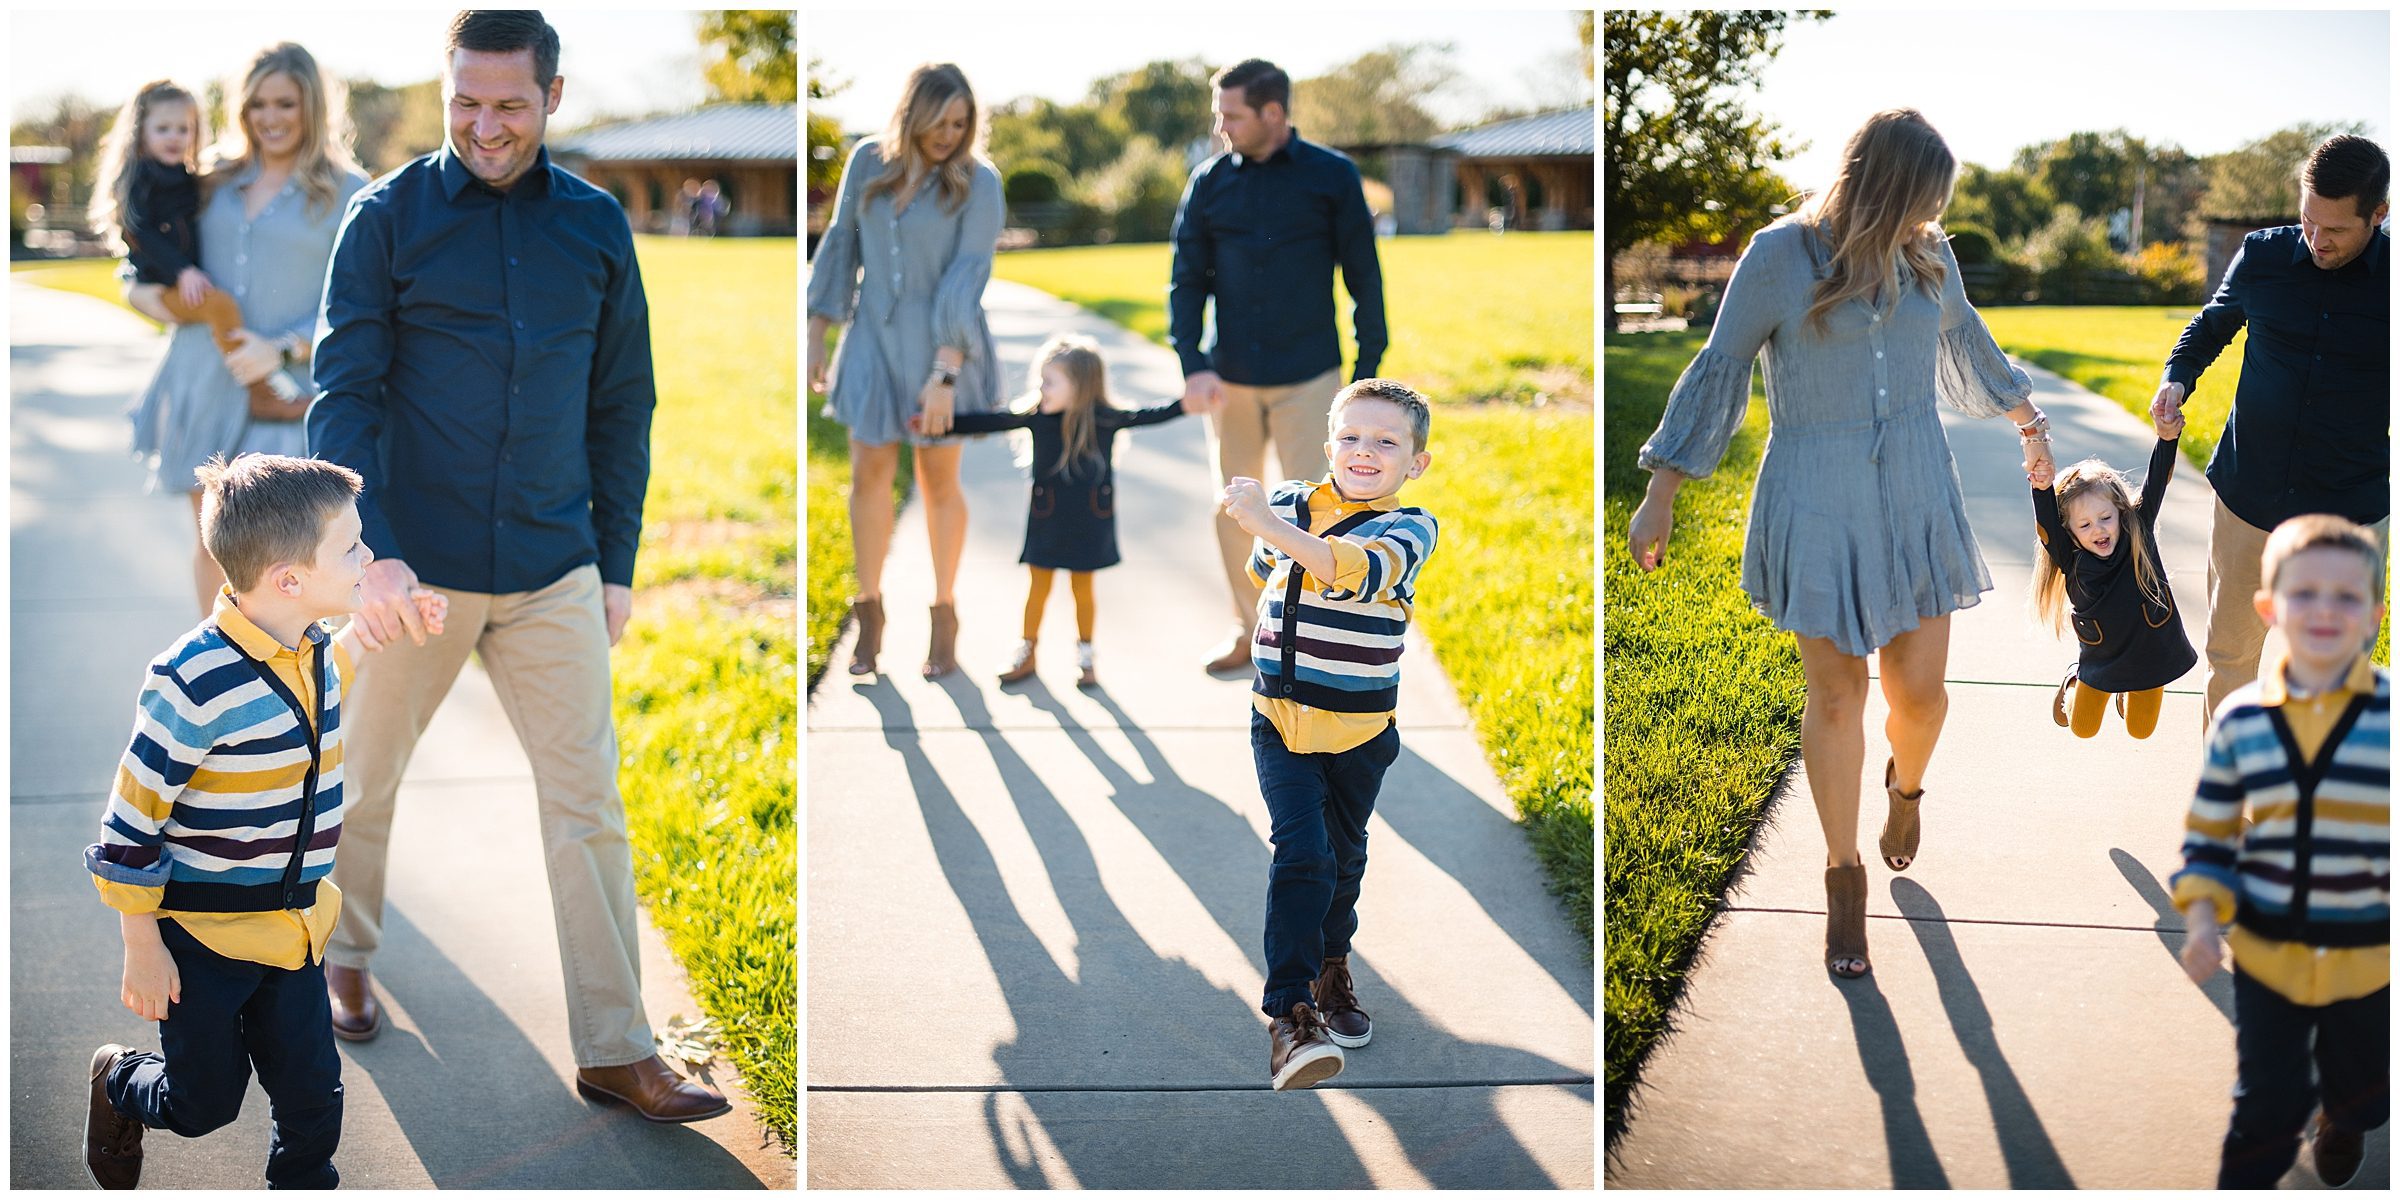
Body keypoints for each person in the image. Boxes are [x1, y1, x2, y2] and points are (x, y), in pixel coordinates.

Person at [308, 10, 727, 1123]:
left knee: (588, 803)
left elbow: (622, 403)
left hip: (552, 563)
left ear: (553, 97)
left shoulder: (595, 228)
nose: (484, 125)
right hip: (415, 570)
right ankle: (341, 957)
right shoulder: (385, 221)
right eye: (466, 102)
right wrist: (371, 556)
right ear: (444, 90)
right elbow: (342, 396)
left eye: (509, 104)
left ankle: (616, 1048)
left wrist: (618, 564)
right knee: (364, 782)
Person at [1628, 109, 2055, 979]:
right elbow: (1719, 368)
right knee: (1835, 696)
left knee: (1922, 699)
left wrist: (2029, 423)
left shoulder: (1929, 254)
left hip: (1915, 490)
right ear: (1885, 185)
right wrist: (1661, 489)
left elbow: (1967, 340)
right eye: (1922, 201)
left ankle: (1905, 791)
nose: (1928, 218)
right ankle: (1843, 876)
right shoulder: (1780, 257)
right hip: (1815, 498)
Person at [82, 453, 446, 1190]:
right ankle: (121, 1082)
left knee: (315, 1099)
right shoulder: (191, 682)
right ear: (289, 580)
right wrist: (141, 945)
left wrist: (377, 633)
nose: (368, 556)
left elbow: (317, 677)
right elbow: (129, 824)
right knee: (201, 1104)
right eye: (351, 547)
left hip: (294, 930)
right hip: (202, 943)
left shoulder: (309, 646)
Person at [1221, 379, 1438, 1090]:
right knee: (1304, 855)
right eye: (1350, 436)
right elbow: (1267, 571)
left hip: (1360, 731)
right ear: (1328, 445)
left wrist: (1268, 526)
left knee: (1344, 856)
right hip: (1280, 722)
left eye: (1386, 441)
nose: (1365, 451)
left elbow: (1351, 573)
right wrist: (1263, 518)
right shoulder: (1290, 504)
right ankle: (1290, 1015)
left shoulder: (1409, 528)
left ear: (1416, 462)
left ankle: (1331, 966)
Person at [2171, 514, 2388, 1188]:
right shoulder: (2242, 722)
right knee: (2265, 1107)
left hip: (2366, 956)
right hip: (2269, 953)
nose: (2325, 610)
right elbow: (2207, 835)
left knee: (2366, 1090)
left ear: (2375, 615)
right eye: (2305, 594)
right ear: (2268, 609)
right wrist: (2204, 918)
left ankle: (2344, 1117)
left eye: (2347, 597)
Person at [119, 44, 368, 616]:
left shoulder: (348, 191)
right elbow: (137, 259)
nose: (270, 117)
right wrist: (146, 298)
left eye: (286, 102)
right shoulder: (208, 180)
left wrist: (283, 348)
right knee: (215, 544)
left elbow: (358, 305)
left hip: (282, 395)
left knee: (290, 562)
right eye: (257, 104)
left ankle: (293, 691)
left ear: (313, 106)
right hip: (202, 380)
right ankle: (219, 677)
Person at [2152, 134, 2391, 722]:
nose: (2317, 240)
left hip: (2349, 506)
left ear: (2379, 214)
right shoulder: (2261, 257)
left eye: (2335, 229)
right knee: (2230, 655)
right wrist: (2176, 379)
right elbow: (2210, 327)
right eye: (2309, 221)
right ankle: (2228, 803)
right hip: (2249, 494)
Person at [1170, 58, 1388, 676]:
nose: (1221, 126)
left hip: (1311, 377)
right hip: (1230, 378)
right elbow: (1185, 279)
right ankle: (1250, 630)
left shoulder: (1332, 176)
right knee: (1234, 508)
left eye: (1231, 114)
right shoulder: (1209, 182)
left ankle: (1317, 640)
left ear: (1273, 113)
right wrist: (1193, 363)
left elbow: (1363, 277)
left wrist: (1364, 374)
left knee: (1321, 512)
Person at [807, 62, 1003, 679]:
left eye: (961, 123)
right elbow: (840, 243)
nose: (949, 134)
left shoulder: (979, 181)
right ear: (912, 111)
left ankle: (943, 615)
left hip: (942, 348)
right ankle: (869, 615)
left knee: (938, 480)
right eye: (940, 120)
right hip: (870, 339)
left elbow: (967, 276)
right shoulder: (868, 161)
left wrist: (944, 374)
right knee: (868, 473)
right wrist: (817, 331)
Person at [921, 333, 1186, 688]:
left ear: (1080, 386)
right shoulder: (1037, 417)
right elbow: (992, 421)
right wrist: (943, 423)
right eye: (1040, 381)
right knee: (1038, 587)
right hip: (1047, 519)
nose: (1040, 389)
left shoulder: (1103, 419)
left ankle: (1086, 655)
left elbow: (1148, 416)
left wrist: (1188, 404)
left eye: (1049, 382)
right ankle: (1026, 650)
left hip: (1091, 521)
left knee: (1082, 589)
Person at [89, 80, 304, 422]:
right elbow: (139, 231)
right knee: (220, 306)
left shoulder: (186, 176)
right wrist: (182, 271)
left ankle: (265, 389)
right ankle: (261, 392)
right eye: (162, 129)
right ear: (139, 132)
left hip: (181, 280)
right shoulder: (142, 176)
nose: (174, 137)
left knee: (220, 308)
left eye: (183, 129)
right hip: (163, 285)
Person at [2027, 406, 2197, 739]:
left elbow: (2158, 479)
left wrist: (2167, 439)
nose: (2099, 530)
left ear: (2120, 511)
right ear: (2071, 532)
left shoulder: (2138, 531)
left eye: (2105, 518)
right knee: (2083, 728)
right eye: (2085, 525)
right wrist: (2041, 486)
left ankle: (2128, 689)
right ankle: (2075, 678)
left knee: (2141, 731)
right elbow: (2046, 521)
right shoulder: (2069, 557)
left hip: (2152, 652)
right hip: (2103, 655)